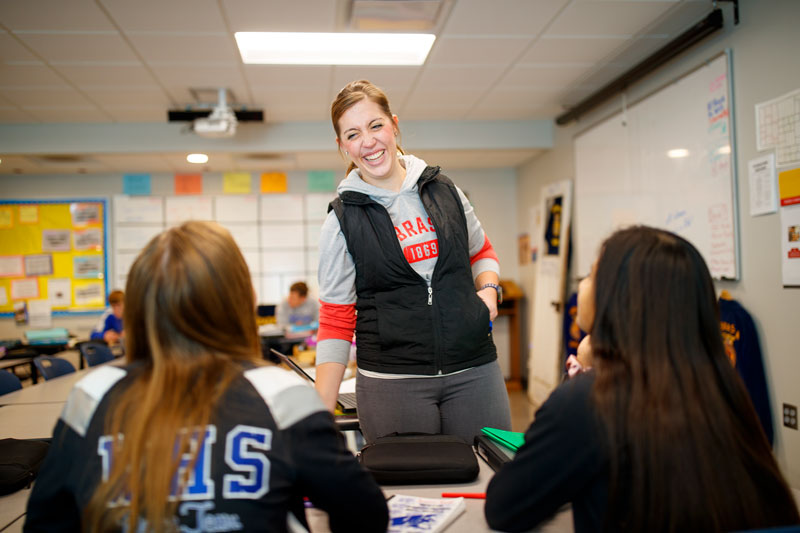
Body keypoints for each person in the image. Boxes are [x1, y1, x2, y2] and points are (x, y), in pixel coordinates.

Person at [24, 221, 388, 533]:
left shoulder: (91, 395)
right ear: (239, 300)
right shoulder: (282, 395)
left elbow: (45, 522)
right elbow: (364, 514)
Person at [485, 226, 800, 532]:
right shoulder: (720, 385)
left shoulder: (588, 400)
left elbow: (505, 508)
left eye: (593, 274)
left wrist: (583, 372)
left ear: (621, 300)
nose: (582, 284)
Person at [315, 79, 511, 444]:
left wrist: (488, 289)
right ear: (342, 145)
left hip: (474, 370)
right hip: (393, 383)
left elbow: (482, 252)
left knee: (495, 482)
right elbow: (336, 319)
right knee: (408, 494)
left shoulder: (443, 189)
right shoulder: (341, 219)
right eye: (353, 134)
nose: (368, 142)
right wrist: (320, 410)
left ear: (394, 124)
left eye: (375, 126)